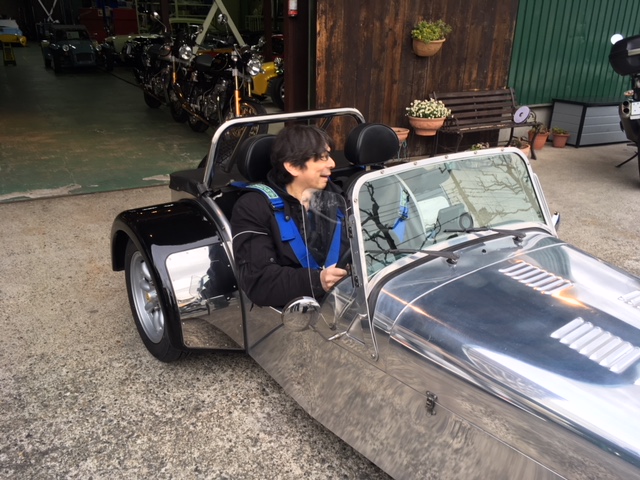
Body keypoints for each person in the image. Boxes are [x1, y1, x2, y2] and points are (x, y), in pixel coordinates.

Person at [231, 124, 349, 308]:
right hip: (297, 313)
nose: (332, 164)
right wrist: (317, 280)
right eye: (323, 157)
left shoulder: (339, 195)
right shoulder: (253, 207)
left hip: (347, 300)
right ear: (293, 166)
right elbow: (259, 282)